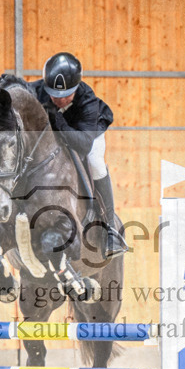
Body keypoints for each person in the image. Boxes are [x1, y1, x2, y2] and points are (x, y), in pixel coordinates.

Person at [30, 52, 127, 258]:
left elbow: (83, 145)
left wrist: (59, 122)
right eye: (54, 95)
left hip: (86, 134)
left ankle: (110, 228)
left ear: (77, 88)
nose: (59, 99)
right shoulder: (37, 90)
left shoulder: (87, 102)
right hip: (56, 133)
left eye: (66, 95)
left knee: (95, 162)